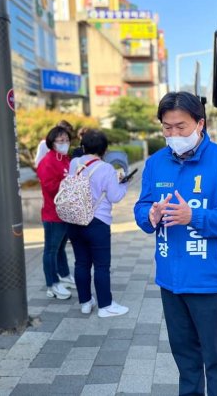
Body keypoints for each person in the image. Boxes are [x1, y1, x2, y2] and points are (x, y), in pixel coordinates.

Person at [134, 92, 217, 396]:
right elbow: (141, 209)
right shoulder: (156, 163)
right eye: (167, 128)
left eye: (181, 127)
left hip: (209, 281)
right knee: (185, 358)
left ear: (201, 123)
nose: (174, 135)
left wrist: (193, 216)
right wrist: (150, 214)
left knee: (215, 358)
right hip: (170, 281)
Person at [66, 129, 130, 317]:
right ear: (105, 150)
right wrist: (124, 182)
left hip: (75, 220)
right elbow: (115, 196)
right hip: (97, 222)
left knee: (81, 263)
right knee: (101, 266)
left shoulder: (74, 163)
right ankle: (105, 305)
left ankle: (85, 302)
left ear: (83, 146)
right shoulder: (106, 169)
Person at [36, 126, 76, 300]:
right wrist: (68, 184)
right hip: (53, 214)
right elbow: (49, 187)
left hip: (66, 212)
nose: (64, 143)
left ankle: (65, 275)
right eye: (61, 141)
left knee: (60, 248)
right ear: (52, 142)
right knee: (51, 250)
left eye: (67, 140)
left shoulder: (65, 159)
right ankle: (52, 284)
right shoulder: (47, 161)